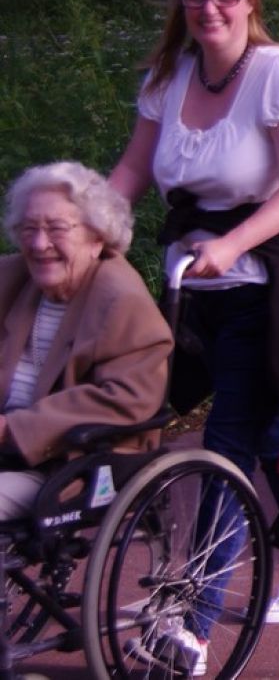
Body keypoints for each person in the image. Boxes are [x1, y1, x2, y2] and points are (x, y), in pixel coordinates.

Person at [108, 0, 279, 644]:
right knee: (270, 436)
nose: (209, 8)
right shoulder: (170, 77)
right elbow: (131, 172)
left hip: (268, 285)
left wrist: (232, 244)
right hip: (189, 291)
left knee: (225, 446)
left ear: (249, 1)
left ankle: (192, 623)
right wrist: (79, 230)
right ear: (181, 6)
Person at [0, 162, 171, 518]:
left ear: (97, 238)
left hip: (67, 464)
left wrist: (15, 428)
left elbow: (127, 396)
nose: (39, 243)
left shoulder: (122, 300)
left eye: (57, 229)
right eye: (29, 228)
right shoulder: (11, 278)